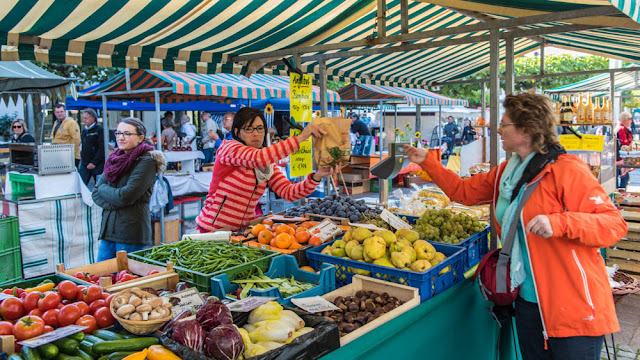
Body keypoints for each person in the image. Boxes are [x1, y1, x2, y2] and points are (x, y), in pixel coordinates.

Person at [404, 92, 625, 360]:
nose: (497, 129)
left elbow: (613, 224)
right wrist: (427, 160)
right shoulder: (506, 173)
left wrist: (560, 222)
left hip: (571, 303)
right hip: (526, 301)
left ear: (527, 129)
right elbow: (463, 192)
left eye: (505, 124)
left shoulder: (566, 170)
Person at [196, 107, 336, 232]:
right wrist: (301, 137)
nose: (256, 134)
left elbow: (288, 192)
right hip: (211, 231)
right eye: (249, 129)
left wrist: (317, 176)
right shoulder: (229, 148)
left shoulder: (266, 164)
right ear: (237, 132)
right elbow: (259, 158)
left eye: (260, 128)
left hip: (241, 233)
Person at [92, 118, 165, 261]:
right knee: (102, 276)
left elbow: (125, 196)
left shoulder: (146, 161)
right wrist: (116, 201)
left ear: (140, 138)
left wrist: (107, 193)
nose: (120, 137)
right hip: (108, 230)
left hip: (130, 232)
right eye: (118, 133)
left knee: (127, 278)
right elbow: (95, 192)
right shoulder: (114, 159)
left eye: (126, 134)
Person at [79, 108, 105, 186]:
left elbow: (102, 148)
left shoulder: (99, 130)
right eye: (83, 118)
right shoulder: (84, 131)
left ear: (93, 118)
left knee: (99, 186)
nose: (84, 120)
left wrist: (94, 162)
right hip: (84, 163)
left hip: (97, 164)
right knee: (81, 185)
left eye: (86, 118)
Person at [616, 112, 634, 190]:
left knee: (622, 177)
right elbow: (624, 144)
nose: (631, 121)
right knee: (624, 177)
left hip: (619, 157)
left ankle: (619, 193)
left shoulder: (621, 128)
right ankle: (620, 194)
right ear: (625, 120)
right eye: (630, 119)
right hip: (621, 158)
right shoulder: (622, 129)